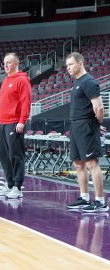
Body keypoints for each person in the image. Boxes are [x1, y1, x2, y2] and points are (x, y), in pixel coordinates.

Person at [65, 52, 109, 212]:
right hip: (76, 125)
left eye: (70, 64)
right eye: (67, 65)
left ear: (80, 63)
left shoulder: (89, 82)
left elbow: (99, 107)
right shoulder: (78, 82)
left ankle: (100, 202)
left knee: (92, 163)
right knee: (78, 163)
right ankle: (84, 198)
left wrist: (96, 122)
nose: (68, 68)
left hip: (86, 125)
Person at [0, 53, 31, 199]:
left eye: (8, 62)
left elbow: (25, 102)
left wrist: (22, 121)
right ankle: (9, 184)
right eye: (4, 63)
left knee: (15, 155)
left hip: (14, 122)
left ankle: (17, 187)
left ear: (16, 63)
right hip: (2, 123)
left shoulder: (22, 80)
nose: (6, 65)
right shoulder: (6, 80)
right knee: (3, 155)